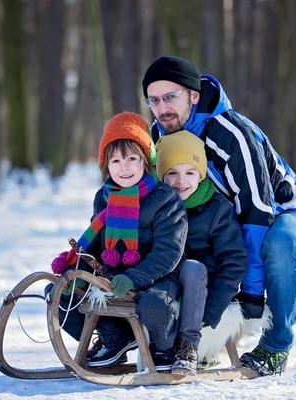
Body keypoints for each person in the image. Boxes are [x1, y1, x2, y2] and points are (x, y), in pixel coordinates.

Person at [142, 56, 296, 376]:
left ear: (193, 96)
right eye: (154, 100)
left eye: (171, 97)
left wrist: (251, 291)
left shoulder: (232, 132)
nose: (162, 107)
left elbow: (257, 211)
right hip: (221, 219)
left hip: (282, 214)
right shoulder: (160, 133)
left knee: (280, 245)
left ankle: (276, 345)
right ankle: (198, 343)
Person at [48, 111, 188, 371]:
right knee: (58, 292)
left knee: (156, 304)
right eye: (116, 160)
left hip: (156, 276)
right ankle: (115, 337)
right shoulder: (104, 197)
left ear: (145, 161)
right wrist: (76, 268)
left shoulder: (164, 199)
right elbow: (96, 244)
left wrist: (135, 277)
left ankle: (163, 347)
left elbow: (169, 251)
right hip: (112, 273)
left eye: (132, 159)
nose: (124, 167)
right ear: (106, 166)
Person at [155, 131, 248, 376]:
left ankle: (188, 346)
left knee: (192, 266)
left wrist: (213, 309)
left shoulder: (216, 210)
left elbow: (234, 262)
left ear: (201, 174)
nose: (180, 180)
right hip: (165, 284)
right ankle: (155, 347)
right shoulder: (155, 205)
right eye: (172, 173)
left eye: (189, 172)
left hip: (204, 289)